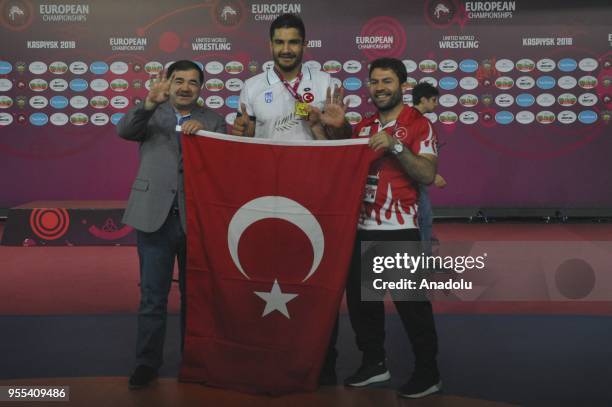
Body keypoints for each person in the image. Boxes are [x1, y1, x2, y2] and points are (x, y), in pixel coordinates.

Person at [117, 60, 226, 389]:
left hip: (197, 220)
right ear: (169, 82)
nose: (185, 87)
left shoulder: (214, 122)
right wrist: (150, 102)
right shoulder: (152, 113)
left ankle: (193, 361)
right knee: (152, 297)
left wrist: (205, 137)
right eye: (179, 80)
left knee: (195, 298)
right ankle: (147, 363)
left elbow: (224, 167)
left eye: (193, 82)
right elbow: (124, 131)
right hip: (154, 219)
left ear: (201, 88)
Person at [343, 61, 442, 398]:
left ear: (402, 84)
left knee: (412, 307)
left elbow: (427, 174)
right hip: (361, 227)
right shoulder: (364, 125)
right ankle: (374, 364)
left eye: (387, 81)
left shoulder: (419, 124)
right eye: (374, 82)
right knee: (361, 306)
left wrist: (396, 145)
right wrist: (322, 129)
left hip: (399, 229)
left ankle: (429, 373)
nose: (380, 87)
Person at [232, 13, 349, 140]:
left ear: (304, 45)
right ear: (271, 45)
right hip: (268, 160)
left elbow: (343, 139)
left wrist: (339, 127)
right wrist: (243, 132)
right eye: (279, 42)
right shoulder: (251, 86)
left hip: (312, 160)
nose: (286, 50)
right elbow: (245, 139)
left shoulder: (325, 83)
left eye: (293, 42)